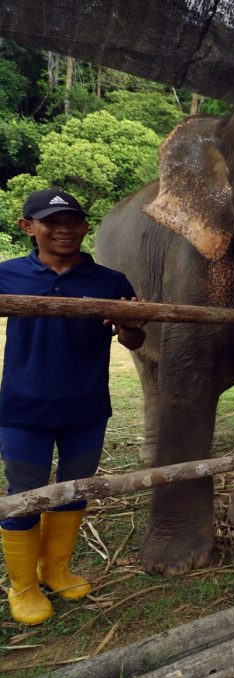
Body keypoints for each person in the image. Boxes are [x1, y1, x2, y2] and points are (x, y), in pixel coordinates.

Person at [1, 189, 146, 626]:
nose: (64, 229)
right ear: (28, 227)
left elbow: (134, 340)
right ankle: (22, 585)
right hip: (22, 408)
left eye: (74, 221)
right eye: (51, 221)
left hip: (87, 407)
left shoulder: (111, 281)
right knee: (24, 495)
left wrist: (133, 325)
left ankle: (55, 569)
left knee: (76, 488)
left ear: (86, 227)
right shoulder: (6, 276)